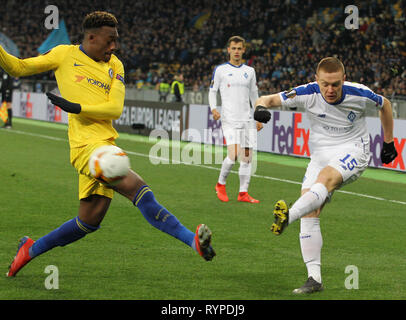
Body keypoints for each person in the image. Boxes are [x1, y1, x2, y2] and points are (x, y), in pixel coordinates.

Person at [3, 11, 215, 278]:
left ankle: (30, 250)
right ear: (91, 37)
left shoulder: (115, 64)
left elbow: (114, 109)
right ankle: (191, 240)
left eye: (116, 39)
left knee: (88, 222)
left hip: (105, 144)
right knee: (138, 189)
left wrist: (75, 106)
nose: (114, 46)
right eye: (109, 39)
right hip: (85, 149)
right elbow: (18, 67)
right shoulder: (63, 55)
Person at [254, 57, 398, 293]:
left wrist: (389, 141)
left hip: (353, 149)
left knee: (324, 182)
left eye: (335, 84)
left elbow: (386, 105)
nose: (330, 90)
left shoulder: (360, 94)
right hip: (320, 155)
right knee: (311, 209)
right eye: (325, 84)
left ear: (344, 79)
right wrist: (259, 109)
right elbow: (266, 99)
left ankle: (286, 218)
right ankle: (314, 279)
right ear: (316, 80)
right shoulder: (306, 93)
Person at [209, 35, 263, 204]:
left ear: (244, 50)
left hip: (247, 119)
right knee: (233, 154)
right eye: (234, 48)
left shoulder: (250, 72)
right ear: (228, 50)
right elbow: (212, 91)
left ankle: (243, 193)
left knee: (247, 156)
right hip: (229, 118)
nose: (236, 51)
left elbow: (254, 94)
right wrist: (214, 108)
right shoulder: (220, 70)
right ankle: (220, 184)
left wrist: (259, 114)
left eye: (239, 48)